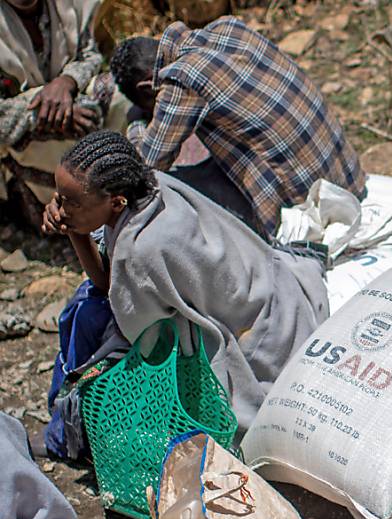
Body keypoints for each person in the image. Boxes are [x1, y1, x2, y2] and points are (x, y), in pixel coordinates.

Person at [42, 130, 330, 431]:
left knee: (88, 317)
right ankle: (62, 429)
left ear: (116, 202)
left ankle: (65, 434)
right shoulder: (151, 187)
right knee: (89, 307)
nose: (60, 208)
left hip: (258, 338)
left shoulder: (140, 250)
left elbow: (145, 338)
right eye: (59, 197)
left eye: (70, 202)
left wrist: (77, 231)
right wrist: (73, 229)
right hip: (276, 292)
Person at [111, 17, 367, 239]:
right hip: (347, 178)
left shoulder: (181, 79)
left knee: (167, 193)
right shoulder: (228, 28)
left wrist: (136, 121)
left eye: (149, 104)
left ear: (147, 89)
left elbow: (146, 166)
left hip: (308, 207)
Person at [0, 0, 124, 225]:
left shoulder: (67, 5)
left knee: (118, 94)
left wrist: (66, 82)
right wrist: (44, 111)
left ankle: (118, 192)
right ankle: (67, 213)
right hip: (20, 134)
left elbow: (89, 54)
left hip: (72, 98)